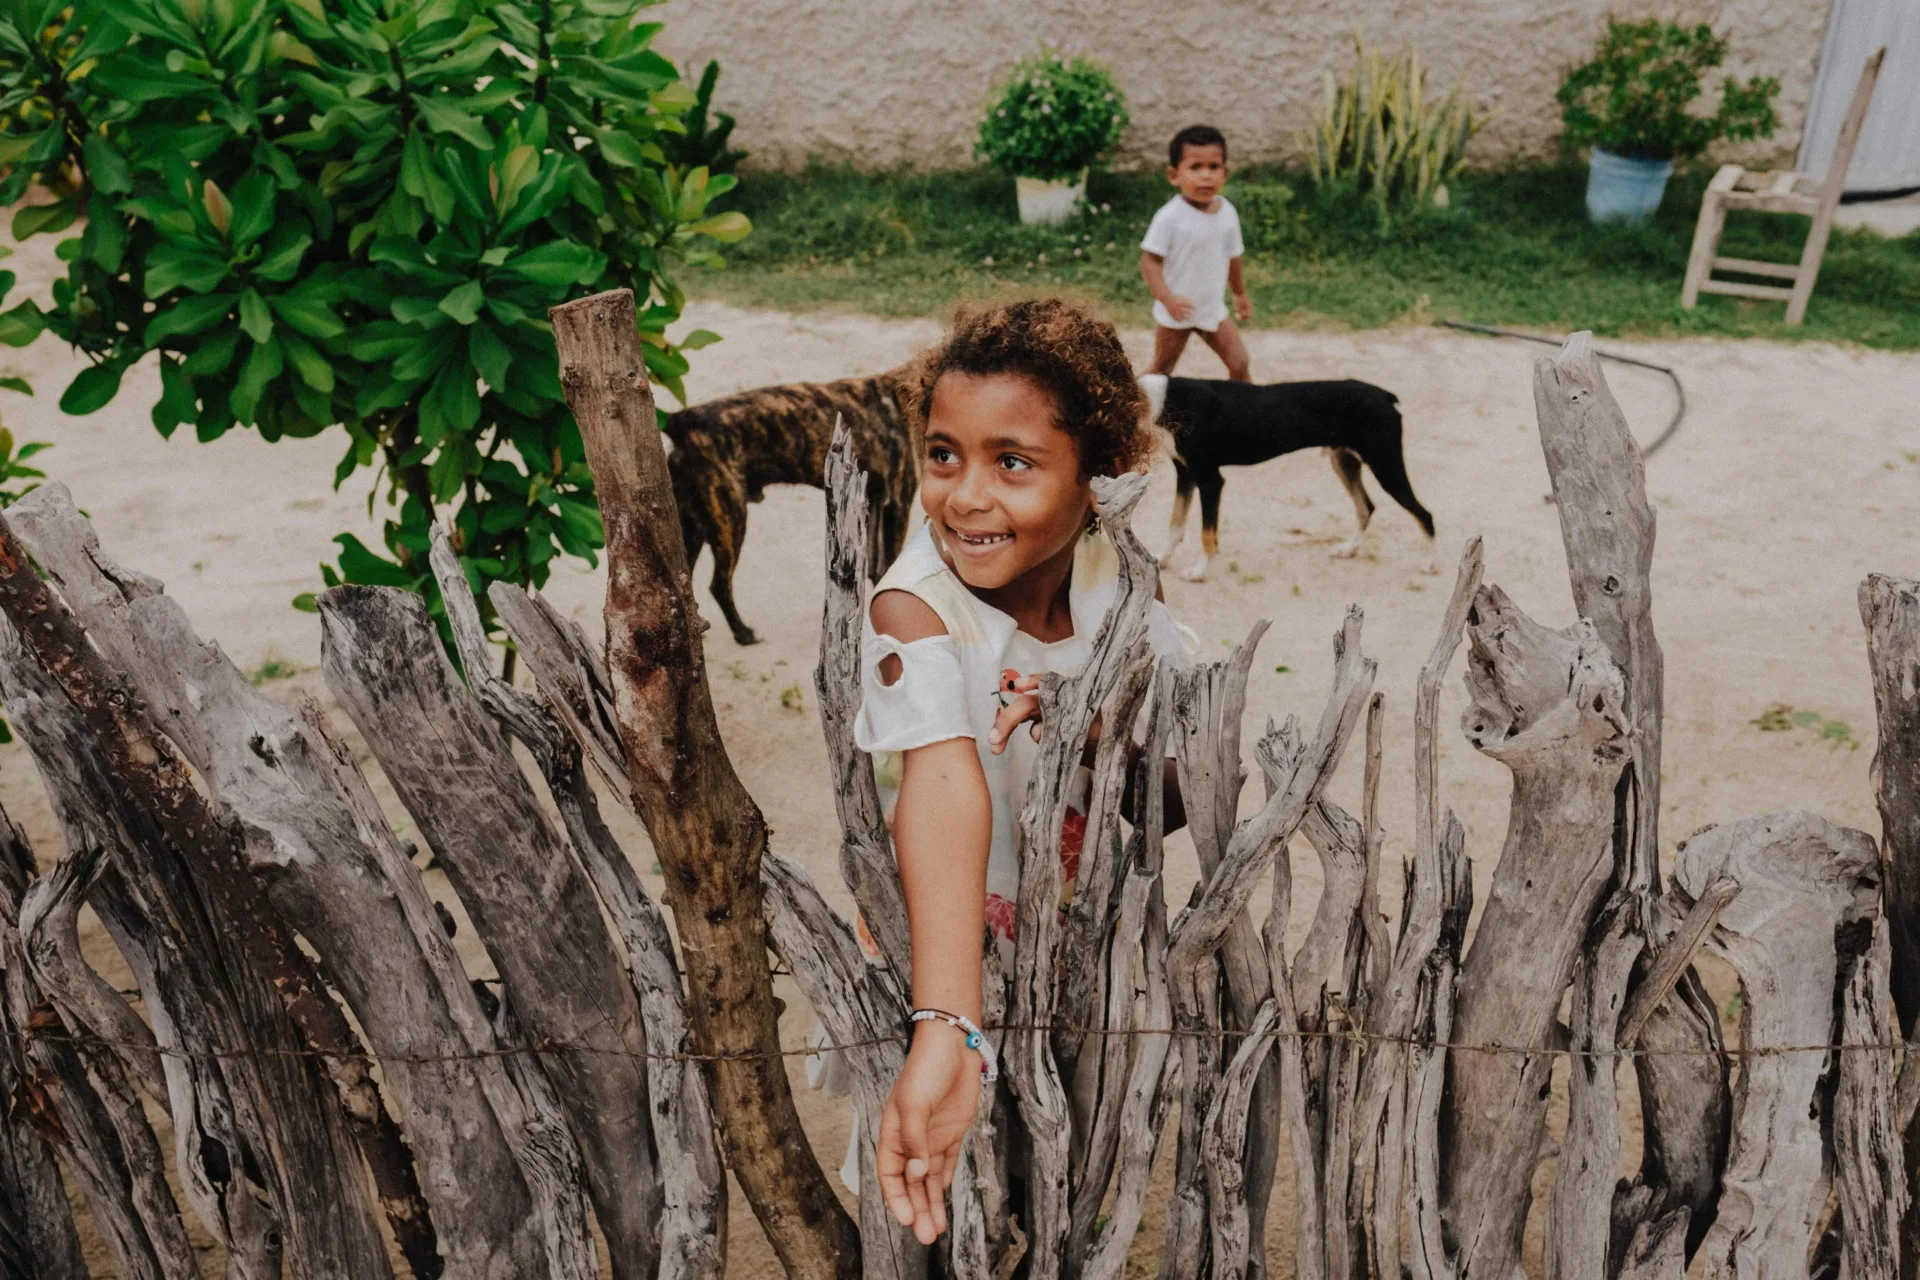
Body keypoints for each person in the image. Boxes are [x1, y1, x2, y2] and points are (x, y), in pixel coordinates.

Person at [853, 298, 1197, 1244]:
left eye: (1013, 462)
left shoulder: (1119, 580)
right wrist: (947, 1027)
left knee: (1066, 1176)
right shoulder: (915, 611)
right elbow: (943, 781)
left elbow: (1173, 795)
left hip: (1082, 953)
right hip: (941, 959)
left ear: (1101, 477)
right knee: (938, 1195)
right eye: (943, 454)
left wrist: (1085, 726)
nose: (965, 496)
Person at [1140, 124, 1253, 382]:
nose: (1206, 176)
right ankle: (1133, 415)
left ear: (1225, 172)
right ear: (1173, 175)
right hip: (1176, 312)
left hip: (1212, 309)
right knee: (1160, 371)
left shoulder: (1227, 213)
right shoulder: (1169, 217)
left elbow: (1234, 257)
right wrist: (1167, 298)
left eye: (1213, 167)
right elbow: (1149, 261)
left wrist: (1239, 294)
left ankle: (1245, 414)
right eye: (1195, 167)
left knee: (1240, 362)